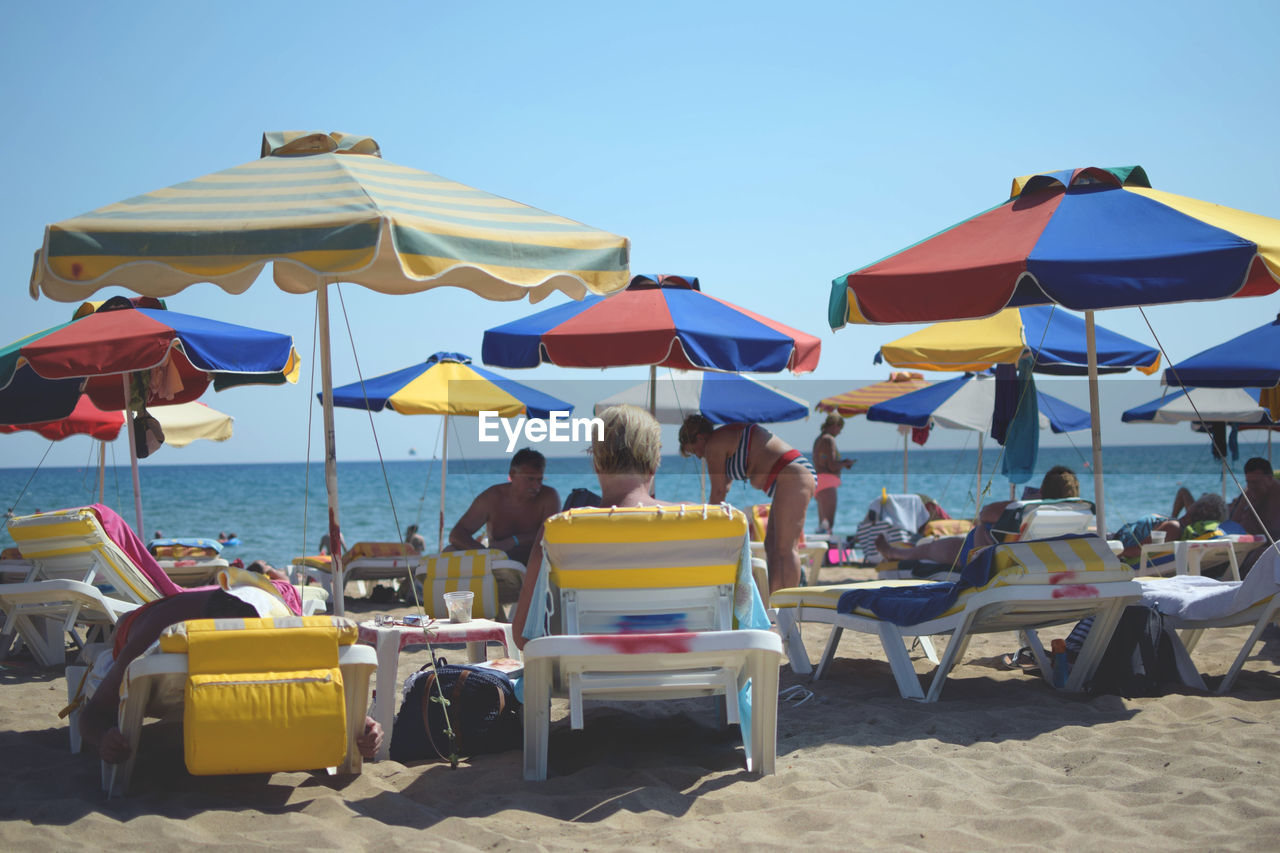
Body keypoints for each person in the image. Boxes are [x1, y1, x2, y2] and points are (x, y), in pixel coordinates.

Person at [79, 580, 383, 765]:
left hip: (225, 594)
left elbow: (317, 682)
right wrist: (103, 739)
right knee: (122, 625)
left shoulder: (274, 626)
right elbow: (93, 714)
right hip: (140, 619)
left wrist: (364, 725)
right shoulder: (155, 634)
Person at [512, 405, 678, 647]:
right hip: (688, 677)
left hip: (585, 680)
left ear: (597, 465)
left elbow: (524, 637)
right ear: (654, 465)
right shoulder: (707, 521)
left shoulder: (557, 532)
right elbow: (744, 624)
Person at [679, 414, 816, 592]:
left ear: (699, 437)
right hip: (789, 477)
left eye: (693, 450)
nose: (698, 456)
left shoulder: (714, 444)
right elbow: (724, 487)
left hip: (794, 475)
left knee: (785, 548)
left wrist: (709, 530)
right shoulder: (723, 440)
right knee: (772, 546)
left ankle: (789, 609)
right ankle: (775, 605)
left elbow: (718, 492)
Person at [876, 465, 1081, 568]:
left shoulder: (1026, 509)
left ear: (1043, 488)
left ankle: (894, 553)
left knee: (929, 549)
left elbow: (985, 514)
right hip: (1035, 566)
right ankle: (895, 551)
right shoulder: (1075, 514)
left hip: (982, 559)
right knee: (935, 545)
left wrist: (1022, 502)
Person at [448, 447, 561, 601]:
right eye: (530, 479)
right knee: (449, 551)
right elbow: (457, 534)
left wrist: (514, 540)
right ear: (512, 475)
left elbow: (551, 535)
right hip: (498, 569)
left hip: (535, 567)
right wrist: (484, 554)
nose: (536, 486)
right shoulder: (493, 498)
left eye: (539, 480)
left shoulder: (548, 497)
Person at [812, 412, 856, 534]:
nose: (839, 432)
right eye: (839, 428)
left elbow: (823, 461)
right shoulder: (829, 439)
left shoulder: (819, 439)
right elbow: (831, 465)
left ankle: (822, 551)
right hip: (828, 482)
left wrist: (841, 463)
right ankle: (826, 551)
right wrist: (845, 463)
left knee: (823, 523)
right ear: (835, 425)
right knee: (829, 524)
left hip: (819, 481)